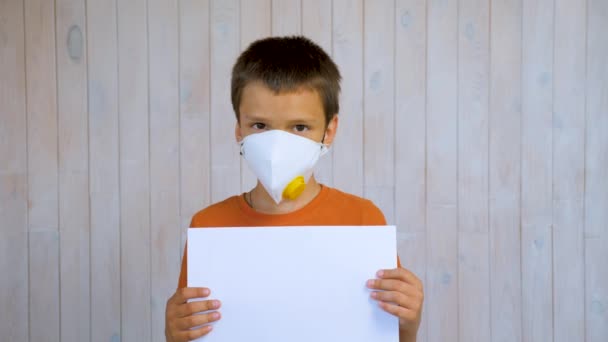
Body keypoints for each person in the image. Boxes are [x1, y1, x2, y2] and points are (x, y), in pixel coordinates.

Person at [164, 36, 423, 342]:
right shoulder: (208, 226)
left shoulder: (363, 219)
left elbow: (388, 332)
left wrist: (408, 322)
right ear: (239, 129)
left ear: (329, 130)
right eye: (260, 125)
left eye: (299, 127)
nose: (277, 145)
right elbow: (196, 333)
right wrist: (174, 333)